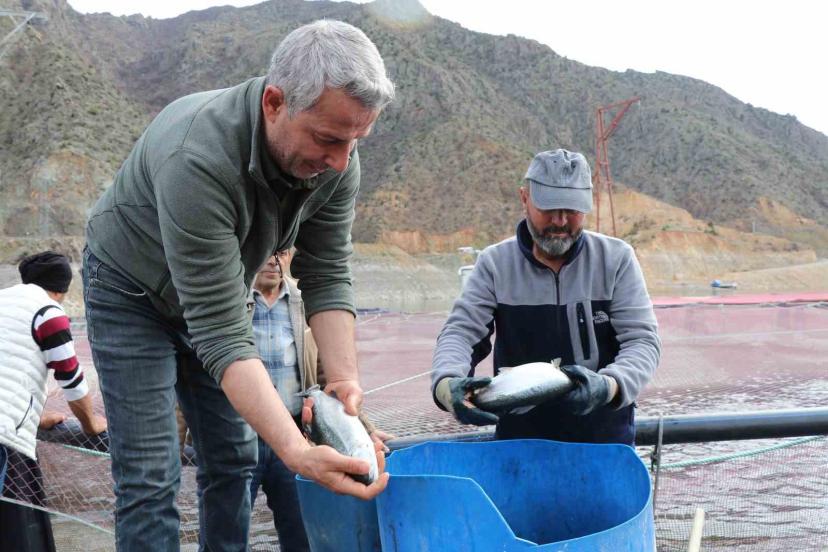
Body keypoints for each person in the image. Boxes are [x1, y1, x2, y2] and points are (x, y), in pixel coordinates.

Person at [82, 20, 394, 551]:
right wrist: (298, 452)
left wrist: (343, 380)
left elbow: (326, 270)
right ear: (274, 102)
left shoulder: (338, 161)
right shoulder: (196, 157)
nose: (341, 161)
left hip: (217, 297)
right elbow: (222, 333)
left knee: (235, 456)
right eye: (327, 139)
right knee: (150, 475)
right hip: (131, 295)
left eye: (354, 141)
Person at [431, 149, 661, 445]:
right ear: (524, 198)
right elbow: (461, 333)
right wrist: (446, 385)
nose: (560, 221)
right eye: (549, 208)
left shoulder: (616, 259)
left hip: (605, 444)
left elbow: (642, 341)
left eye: (572, 210)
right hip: (519, 444)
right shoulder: (494, 264)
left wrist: (610, 385)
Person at [248, 250, 392, 551]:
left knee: (300, 532)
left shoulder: (307, 304)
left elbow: (331, 381)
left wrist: (365, 429)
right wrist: (182, 439)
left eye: (282, 252)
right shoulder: (230, 302)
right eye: (267, 252)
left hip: (296, 436)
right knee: (225, 533)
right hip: (237, 439)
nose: (274, 260)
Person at [0, 251, 107, 486]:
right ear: (60, 290)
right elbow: (71, 380)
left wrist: (34, 418)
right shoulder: (48, 313)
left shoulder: (4, 300)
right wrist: (90, 423)